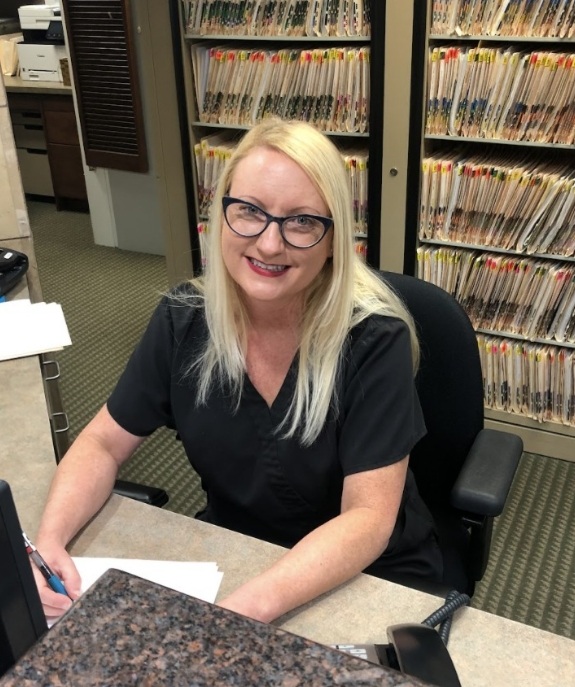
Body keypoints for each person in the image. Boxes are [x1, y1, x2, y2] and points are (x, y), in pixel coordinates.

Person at [34, 118, 442, 623]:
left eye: (301, 222)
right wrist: (48, 541)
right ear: (221, 216)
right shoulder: (184, 320)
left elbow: (368, 520)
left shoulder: (374, 341)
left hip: (366, 577)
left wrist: (239, 613)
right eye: (249, 211)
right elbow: (101, 443)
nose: (270, 245)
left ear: (334, 238)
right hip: (235, 557)